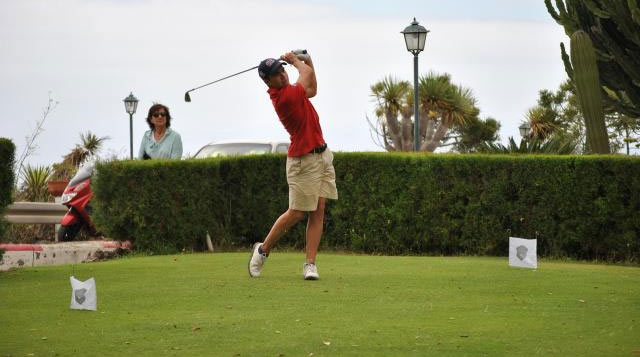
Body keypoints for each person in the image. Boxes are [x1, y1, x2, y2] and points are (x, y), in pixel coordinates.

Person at [248, 51, 338, 280]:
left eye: (282, 70)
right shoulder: (284, 97)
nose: (282, 75)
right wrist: (297, 61)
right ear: (268, 82)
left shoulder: (294, 91)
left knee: (318, 210)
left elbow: (313, 89)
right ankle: (262, 249)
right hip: (302, 160)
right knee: (297, 212)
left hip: (321, 154)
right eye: (276, 74)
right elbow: (304, 75)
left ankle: (310, 264)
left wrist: (309, 62)